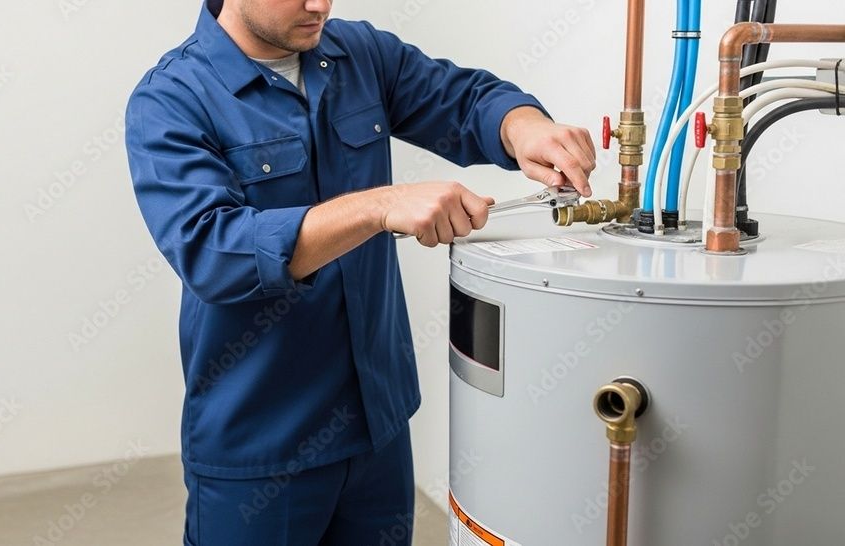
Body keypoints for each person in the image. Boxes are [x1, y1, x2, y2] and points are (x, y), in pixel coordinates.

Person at [124, 0, 596, 544]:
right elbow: (213, 252)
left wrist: (523, 128)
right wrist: (378, 207)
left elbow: (463, 99)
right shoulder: (171, 98)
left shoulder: (358, 54)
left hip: (377, 427)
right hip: (262, 443)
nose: (318, 4)